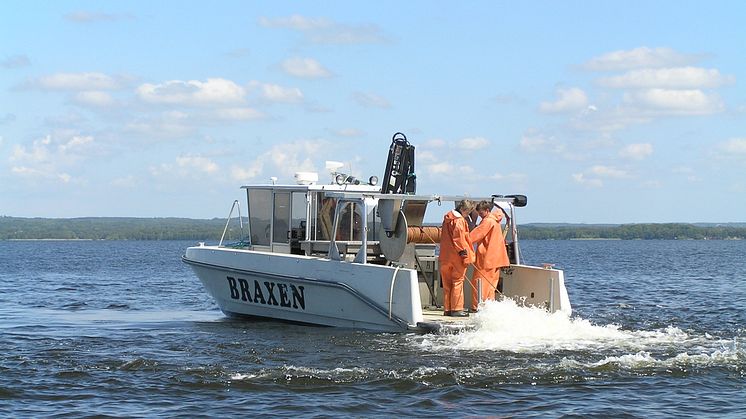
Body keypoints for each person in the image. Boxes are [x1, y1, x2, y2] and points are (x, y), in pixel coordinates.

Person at [468, 200, 510, 311]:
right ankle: (488, 308)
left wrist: (459, 240)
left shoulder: (487, 222)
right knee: (491, 286)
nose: (480, 216)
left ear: (487, 211)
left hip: (487, 259)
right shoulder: (495, 221)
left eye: (481, 213)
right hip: (496, 259)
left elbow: (473, 237)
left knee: (479, 283)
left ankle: (478, 308)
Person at [438, 199, 476, 317]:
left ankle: (448, 309)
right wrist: (464, 255)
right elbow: (459, 239)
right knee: (457, 282)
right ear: (464, 210)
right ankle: (457, 309)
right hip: (456, 258)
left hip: (445, 257)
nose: (468, 215)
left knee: (447, 284)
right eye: (468, 212)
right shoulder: (459, 221)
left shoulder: (447, 219)